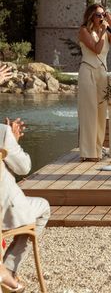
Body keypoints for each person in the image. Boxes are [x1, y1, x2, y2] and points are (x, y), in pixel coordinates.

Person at [0, 117, 50, 292]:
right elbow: (23, 168)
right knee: (43, 207)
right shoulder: (3, 132)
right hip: (4, 211)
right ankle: (8, 269)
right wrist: (12, 140)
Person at [77, 4, 111, 161]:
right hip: (88, 72)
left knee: (100, 113)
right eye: (99, 15)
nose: (101, 17)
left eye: (103, 14)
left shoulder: (106, 30)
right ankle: (88, 152)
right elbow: (96, 49)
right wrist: (104, 32)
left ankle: (97, 151)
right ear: (91, 15)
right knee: (89, 113)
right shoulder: (84, 31)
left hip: (102, 74)